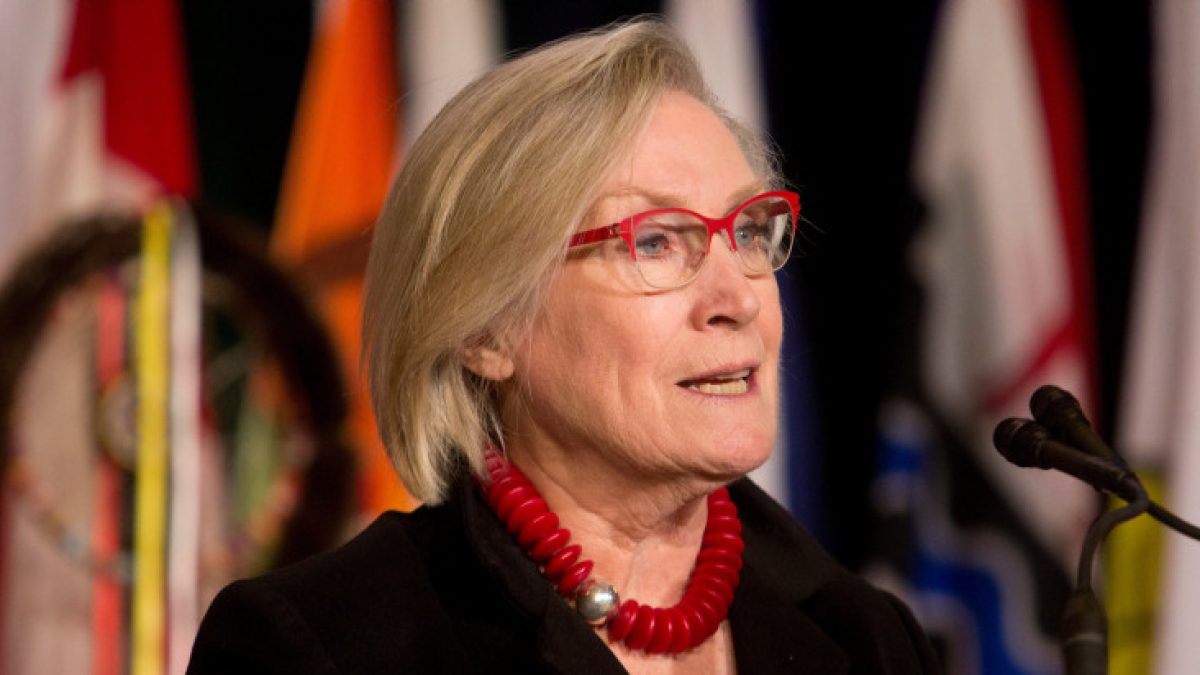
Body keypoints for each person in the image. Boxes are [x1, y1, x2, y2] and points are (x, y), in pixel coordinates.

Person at [188, 19, 939, 674]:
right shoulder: (318, 647)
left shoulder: (867, 636)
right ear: (486, 328)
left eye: (747, 231)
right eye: (655, 242)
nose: (738, 298)